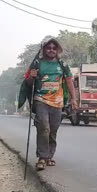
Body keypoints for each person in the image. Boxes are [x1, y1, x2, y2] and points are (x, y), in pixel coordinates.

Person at [25, 38, 78, 170]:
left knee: (53, 129)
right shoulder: (37, 63)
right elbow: (29, 84)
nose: (51, 50)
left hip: (58, 102)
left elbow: (69, 81)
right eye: (49, 48)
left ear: (57, 50)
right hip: (41, 99)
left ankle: (49, 156)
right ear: (44, 49)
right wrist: (32, 76)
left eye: (54, 48)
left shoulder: (62, 65)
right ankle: (42, 157)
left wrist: (73, 99)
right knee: (43, 127)